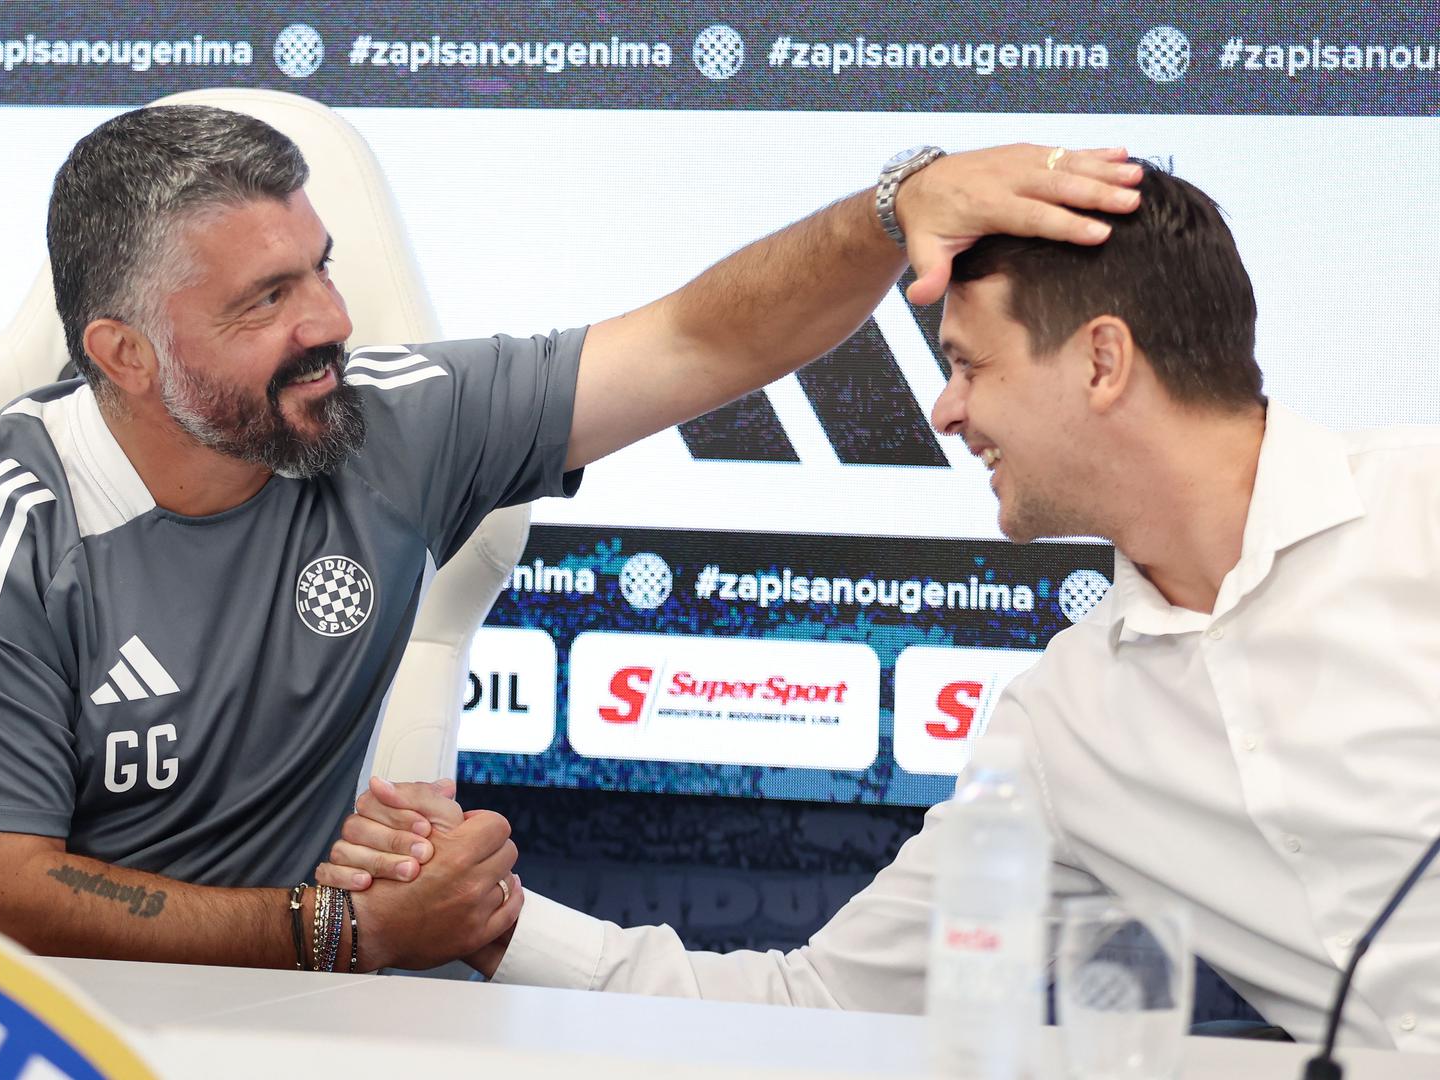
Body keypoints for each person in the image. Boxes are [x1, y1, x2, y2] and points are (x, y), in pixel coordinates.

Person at [0, 103, 1141, 973]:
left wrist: (890, 206)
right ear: (124, 355)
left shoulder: (391, 420)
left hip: (257, 998)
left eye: (321, 266)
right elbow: (8, 891)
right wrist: (343, 932)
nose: (330, 319)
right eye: (266, 298)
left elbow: (702, 339)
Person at [328, 161, 1440, 1051]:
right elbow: (821, 1010)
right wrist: (497, 922)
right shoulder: (1066, 724)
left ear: (1102, 360)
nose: (946, 412)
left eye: (970, 365)